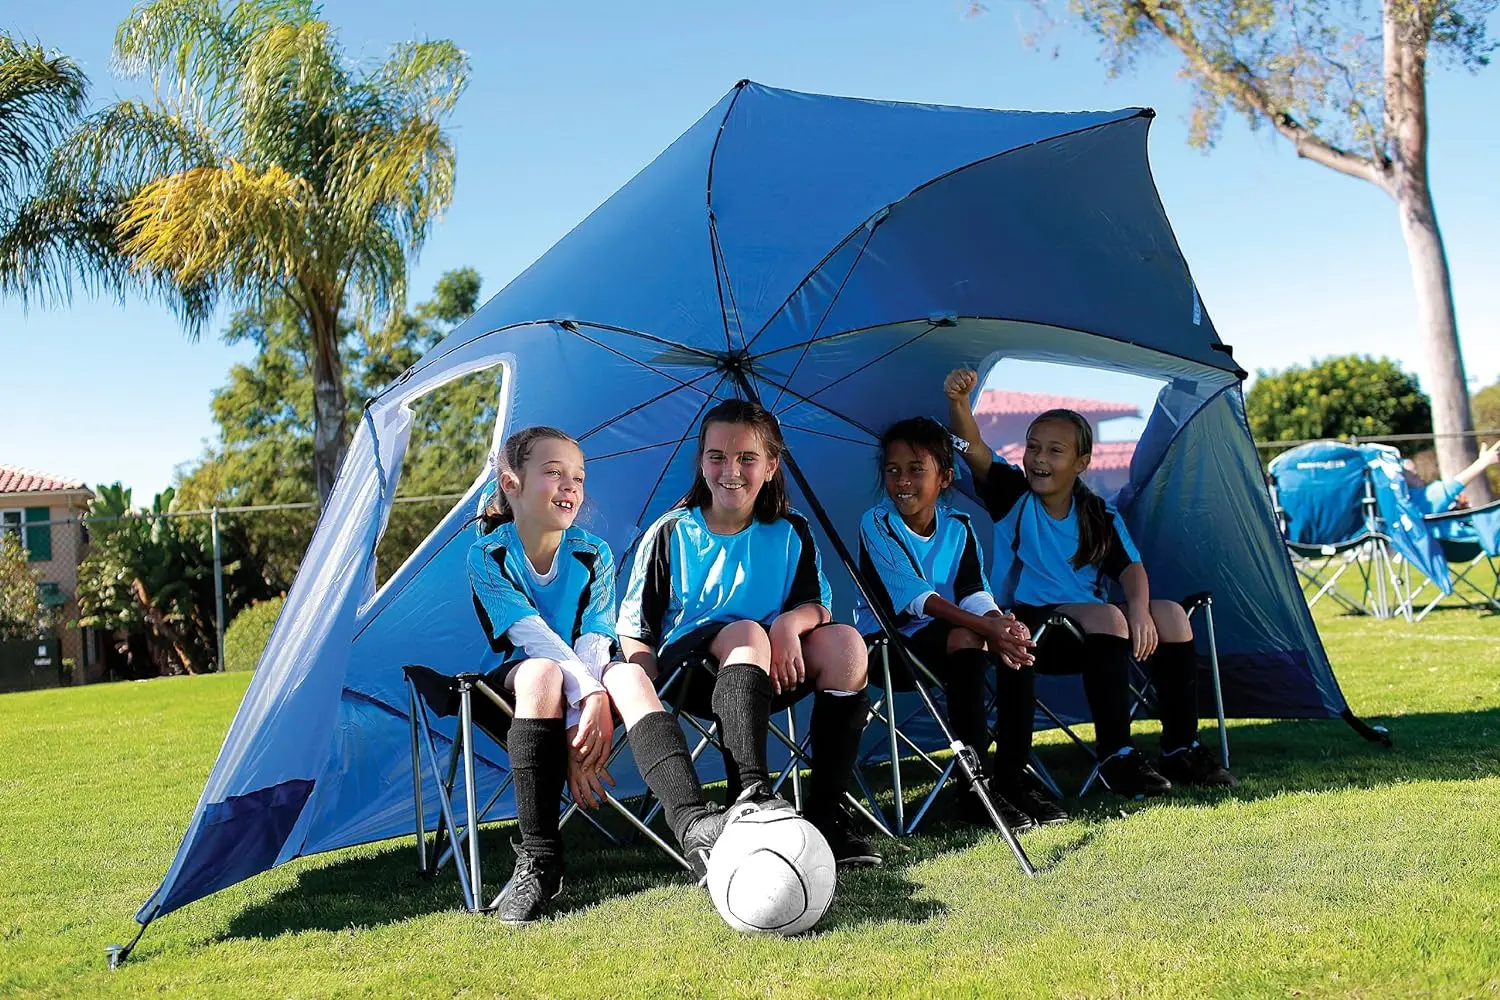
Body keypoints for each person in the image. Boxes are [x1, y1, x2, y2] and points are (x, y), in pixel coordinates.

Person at [468, 426, 730, 924]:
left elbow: (594, 638)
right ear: (511, 482)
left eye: (578, 477)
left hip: (590, 679)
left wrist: (591, 702)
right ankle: (539, 860)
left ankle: (694, 825)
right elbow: (530, 636)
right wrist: (582, 709)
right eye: (553, 473)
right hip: (516, 688)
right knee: (543, 671)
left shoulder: (594, 554)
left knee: (630, 676)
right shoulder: (487, 555)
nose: (570, 485)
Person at [944, 368, 1237, 797]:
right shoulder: (1012, 494)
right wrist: (958, 404)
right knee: (1106, 614)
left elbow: (1131, 570)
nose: (1039, 459)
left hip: (1097, 636)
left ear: (1081, 464)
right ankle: (1117, 756)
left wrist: (1139, 609)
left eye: (1055, 451)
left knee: (1171, 614)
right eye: (1032, 447)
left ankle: (1180, 747)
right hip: (1030, 627)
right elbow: (973, 450)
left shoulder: (1097, 513)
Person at [617, 399, 881, 867]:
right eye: (716, 456)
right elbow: (637, 629)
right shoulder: (669, 532)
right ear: (700, 462)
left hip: (774, 665)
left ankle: (827, 815)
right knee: (744, 631)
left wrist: (788, 624)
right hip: (693, 675)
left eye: (747, 458)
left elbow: (815, 605)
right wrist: (643, 692)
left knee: (847, 645)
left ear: (772, 465)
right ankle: (750, 796)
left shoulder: (790, 528)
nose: (730, 470)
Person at [855, 416, 1068, 831]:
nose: (903, 481)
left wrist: (1001, 624)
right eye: (893, 471)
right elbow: (916, 599)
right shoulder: (876, 523)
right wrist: (986, 628)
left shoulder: (960, 527)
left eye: (917, 470)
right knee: (970, 633)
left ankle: (1010, 776)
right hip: (888, 646)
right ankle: (973, 788)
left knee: (1015, 640)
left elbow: (974, 591)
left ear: (946, 478)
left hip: (955, 639)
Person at [1402, 440, 1500, 515]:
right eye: (1413, 476)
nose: (1420, 477)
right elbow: (1452, 487)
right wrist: (1483, 462)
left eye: (1417, 473)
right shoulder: (1420, 500)